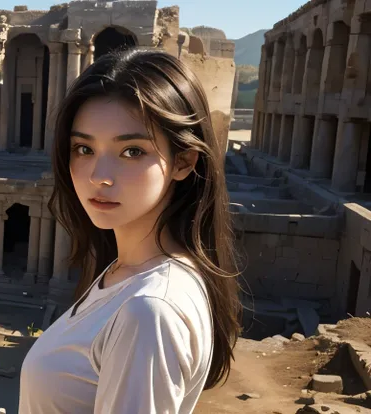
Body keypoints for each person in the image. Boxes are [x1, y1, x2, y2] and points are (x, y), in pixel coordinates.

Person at [18, 47, 241, 414]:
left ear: (183, 161)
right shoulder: (126, 271)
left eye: (132, 151)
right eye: (83, 148)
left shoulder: (149, 310)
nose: (98, 177)